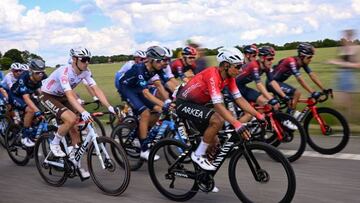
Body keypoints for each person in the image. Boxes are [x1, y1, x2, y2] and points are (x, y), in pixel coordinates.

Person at [176, 47, 265, 171]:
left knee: (214, 142)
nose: (240, 70)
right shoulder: (212, 75)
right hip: (184, 104)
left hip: (200, 104)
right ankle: (198, 155)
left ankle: (204, 176)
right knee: (218, 120)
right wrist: (237, 124)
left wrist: (258, 115)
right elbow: (218, 105)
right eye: (238, 66)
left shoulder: (230, 78)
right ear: (226, 65)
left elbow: (239, 99)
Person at [40, 47, 117, 178]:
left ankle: (75, 163)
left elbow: (96, 89)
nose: (87, 62)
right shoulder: (65, 71)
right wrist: (82, 111)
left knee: (74, 125)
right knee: (70, 119)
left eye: (88, 60)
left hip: (62, 96)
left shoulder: (85, 71)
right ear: (74, 60)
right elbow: (70, 95)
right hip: (48, 95)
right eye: (84, 59)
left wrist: (109, 107)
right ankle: (54, 144)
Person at [116, 46, 171, 160]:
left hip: (137, 89)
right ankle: (144, 149)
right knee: (145, 112)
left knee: (159, 111)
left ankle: (141, 131)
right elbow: (146, 94)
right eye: (159, 61)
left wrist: (177, 95)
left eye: (163, 60)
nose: (162, 63)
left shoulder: (157, 68)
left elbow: (169, 82)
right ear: (151, 60)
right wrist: (165, 103)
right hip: (126, 89)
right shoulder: (139, 69)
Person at [267, 43, 326, 119]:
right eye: (309, 57)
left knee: (290, 100)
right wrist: (313, 92)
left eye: (311, 57)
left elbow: (312, 75)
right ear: (302, 56)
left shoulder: (302, 62)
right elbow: (299, 79)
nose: (310, 59)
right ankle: (288, 119)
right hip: (271, 83)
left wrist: (323, 89)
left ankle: (283, 121)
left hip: (278, 83)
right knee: (297, 93)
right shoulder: (292, 62)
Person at [8, 59, 47, 147]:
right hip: (15, 96)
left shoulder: (43, 75)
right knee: (31, 110)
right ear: (30, 71)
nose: (40, 75)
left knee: (40, 113)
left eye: (42, 72)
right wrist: (36, 111)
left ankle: (30, 127)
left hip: (28, 95)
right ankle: (24, 137)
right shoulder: (23, 78)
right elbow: (26, 98)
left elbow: (43, 93)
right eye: (37, 73)